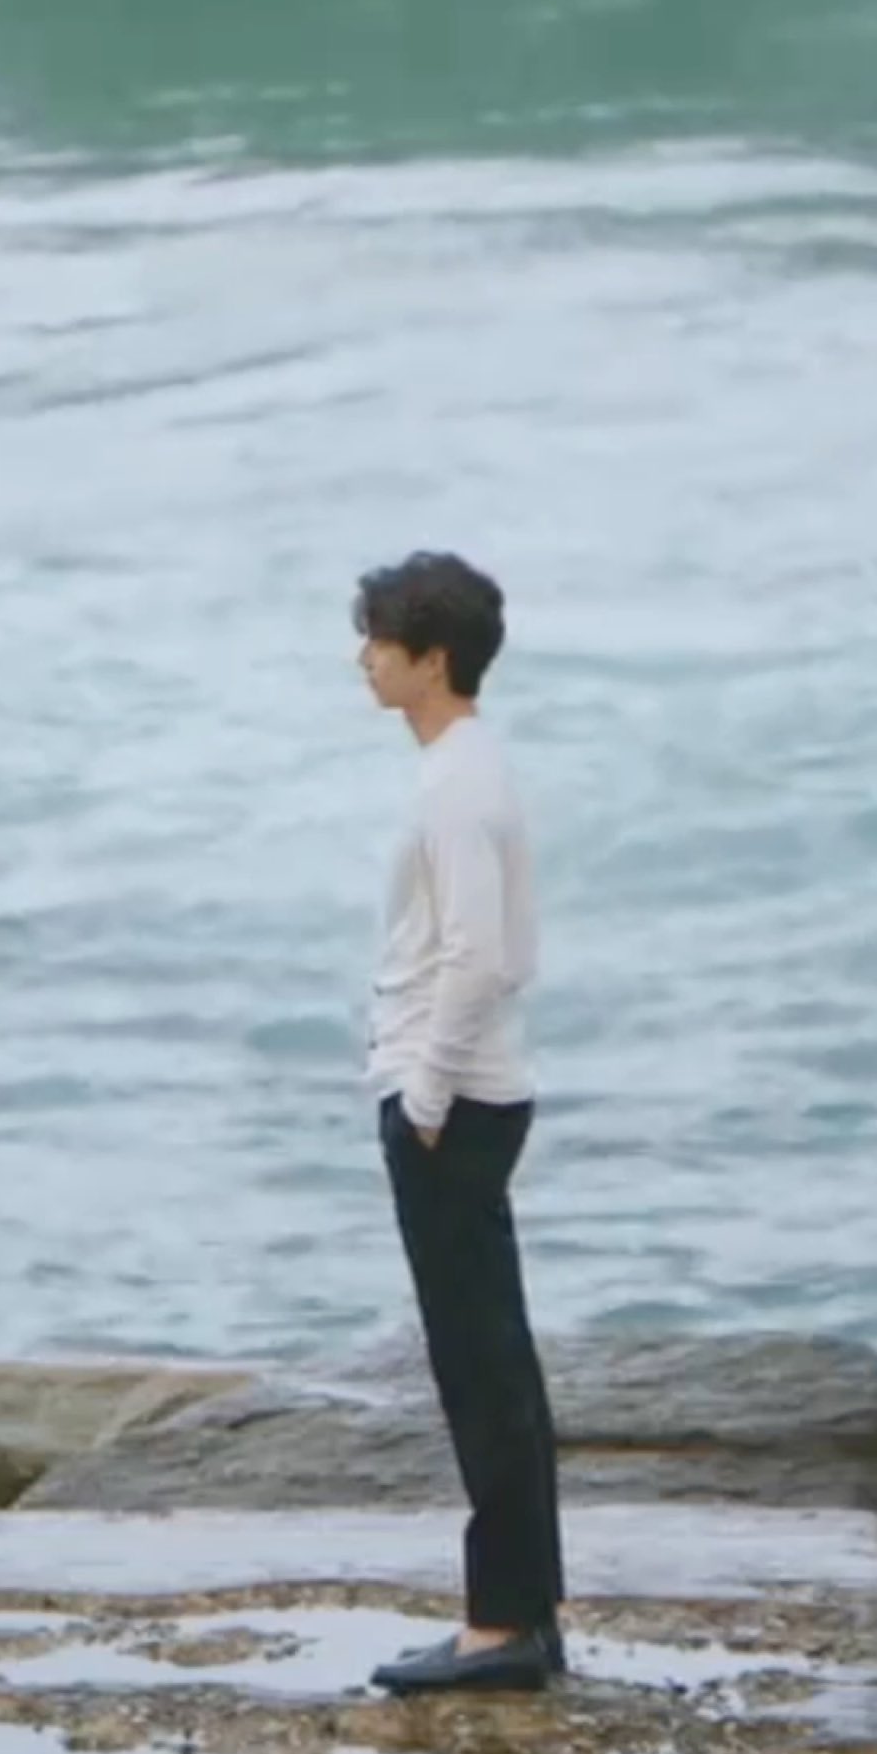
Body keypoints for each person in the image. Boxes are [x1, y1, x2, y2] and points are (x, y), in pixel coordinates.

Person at [352, 549, 560, 1693]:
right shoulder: (464, 769)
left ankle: (502, 1625)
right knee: (495, 1360)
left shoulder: (455, 785)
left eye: (379, 642)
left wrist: (422, 1095)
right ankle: (525, 1607)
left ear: (432, 659)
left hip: (457, 1100)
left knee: (478, 1366)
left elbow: (478, 956)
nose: (363, 660)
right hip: (467, 1093)